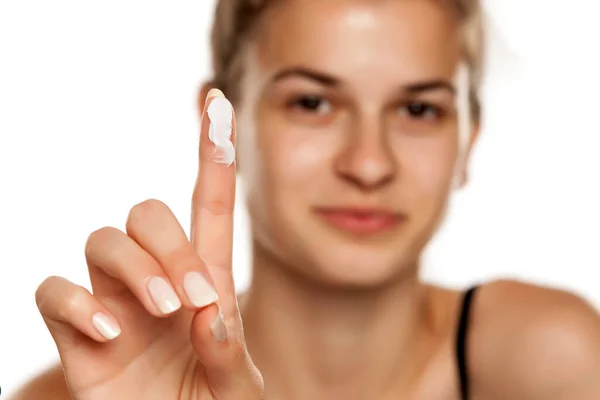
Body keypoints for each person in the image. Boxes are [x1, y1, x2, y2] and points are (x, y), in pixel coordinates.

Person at [12, 0, 600, 399]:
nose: (369, 164)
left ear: (467, 142)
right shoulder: (79, 393)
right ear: (221, 124)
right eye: (312, 103)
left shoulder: (551, 360)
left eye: (419, 109)